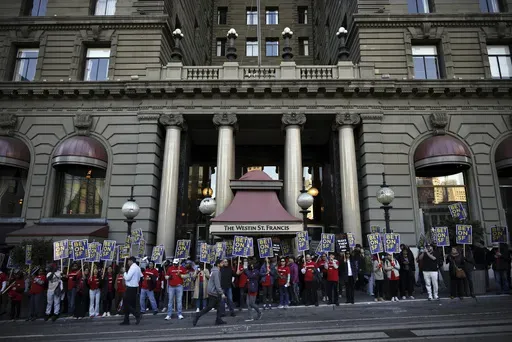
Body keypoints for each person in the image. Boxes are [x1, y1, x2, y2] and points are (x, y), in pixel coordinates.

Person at [192, 259, 227, 326]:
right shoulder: (216, 272)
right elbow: (217, 283)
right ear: (218, 264)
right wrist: (221, 293)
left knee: (219, 306)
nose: (223, 264)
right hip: (214, 292)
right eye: (222, 263)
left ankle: (218, 319)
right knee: (209, 307)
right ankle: (198, 315)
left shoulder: (214, 270)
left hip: (213, 291)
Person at [120, 256, 143, 325]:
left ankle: (137, 314)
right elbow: (141, 277)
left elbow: (127, 278)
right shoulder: (138, 267)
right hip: (134, 288)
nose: (127, 263)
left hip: (130, 288)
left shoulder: (133, 268)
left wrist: (124, 272)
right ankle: (126, 320)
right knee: (130, 305)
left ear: (131, 261)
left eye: (128, 261)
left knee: (126, 304)